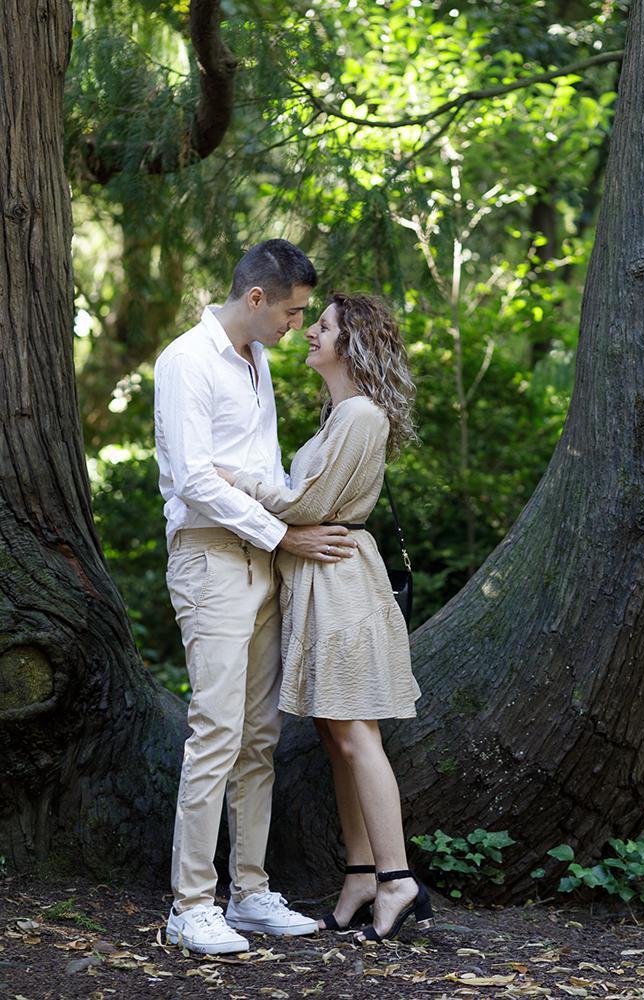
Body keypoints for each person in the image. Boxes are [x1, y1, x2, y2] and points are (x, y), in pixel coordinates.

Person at [154, 240, 359, 956]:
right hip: (211, 559)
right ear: (255, 298)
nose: (298, 326)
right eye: (292, 312)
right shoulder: (186, 361)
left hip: (264, 559)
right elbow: (194, 479)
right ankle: (190, 906)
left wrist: (296, 520)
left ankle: (248, 894)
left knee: (259, 737)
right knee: (214, 731)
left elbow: (256, 466)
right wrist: (285, 535)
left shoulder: (256, 361)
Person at [214, 292, 433, 943]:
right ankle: (361, 874)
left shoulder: (360, 414)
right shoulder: (342, 414)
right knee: (337, 738)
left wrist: (233, 479)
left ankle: (397, 879)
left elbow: (305, 505)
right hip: (321, 584)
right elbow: (306, 505)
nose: (310, 331)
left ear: (351, 342)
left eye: (324, 325)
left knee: (357, 734)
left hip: (342, 588)